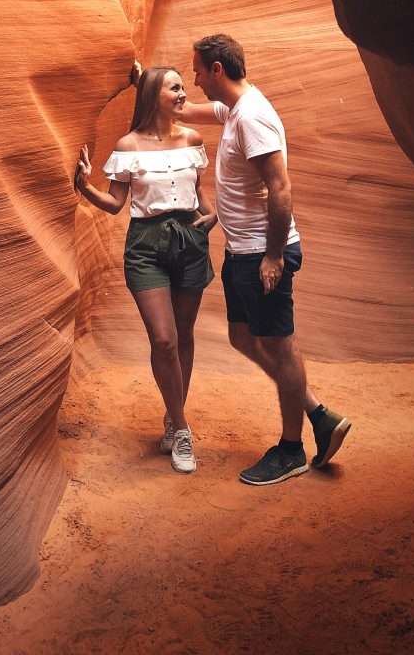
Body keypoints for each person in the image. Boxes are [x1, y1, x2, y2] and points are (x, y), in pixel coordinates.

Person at [179, 34, 351, 486]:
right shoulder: (234, 109)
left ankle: (292, 449)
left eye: (197, 71)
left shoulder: (253, 117)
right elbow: (181, 110)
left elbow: (281, 188)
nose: (194, 81)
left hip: (263, 254)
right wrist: (145, 82)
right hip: (241, 251)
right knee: (241, 337)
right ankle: (318, 413)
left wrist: (274, 255)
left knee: (281, 345)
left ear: (217, 70)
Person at [75, 66, 217, 474]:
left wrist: (213, 216)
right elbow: (117, 203)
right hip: (146, 246)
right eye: (175, 87)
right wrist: (86, 187)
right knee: (164, 339)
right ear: (154, 94)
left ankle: (173, 419)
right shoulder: (128, 145)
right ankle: (184, 427)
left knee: (185, 335)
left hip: (189, 242)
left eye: (183, 87)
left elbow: (201, 195)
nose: (182, 93)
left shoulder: (192, 139)